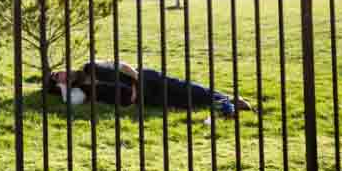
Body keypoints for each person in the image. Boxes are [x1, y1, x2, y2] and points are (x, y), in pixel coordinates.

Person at [47, 61, 252, 118]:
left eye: (59, 72)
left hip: (145, 78)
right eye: (58, 78)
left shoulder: (89, 66)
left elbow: (122, 66)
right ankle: (221, 104)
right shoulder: (81, 91)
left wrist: (136, 83)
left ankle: (228, 98)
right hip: (143, 99)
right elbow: (70, 102)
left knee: (186, 88)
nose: (62, 75)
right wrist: (62, 86)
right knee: (182, 102)